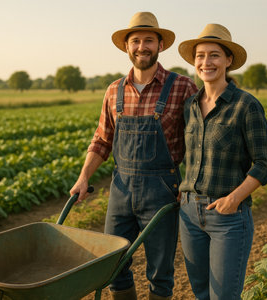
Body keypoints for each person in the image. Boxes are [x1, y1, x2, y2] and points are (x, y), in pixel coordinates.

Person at [70, 11, 197, 300]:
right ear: (127, 47)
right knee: (114, 265)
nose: (142, 46)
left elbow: (197, 142)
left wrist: (189, 183)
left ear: (160, 45)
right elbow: (102, 139)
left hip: (164, 189)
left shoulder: (183, 87)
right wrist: (83, 177)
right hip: (121, 189)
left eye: (149, 40)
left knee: (160, 271)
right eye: (136, 41)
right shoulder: (114, 90)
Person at [177, 24, 267, 299]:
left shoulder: (246, 105)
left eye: (214, 55)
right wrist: (183, 191)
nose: (206, 62)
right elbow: (190, 157)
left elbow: (265, 163)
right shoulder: (190, 106)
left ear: (228, 60)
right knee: (200, 293)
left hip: (228, 217)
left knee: (223, 296)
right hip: (189, 216)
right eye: (200, 56)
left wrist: (233, 199)